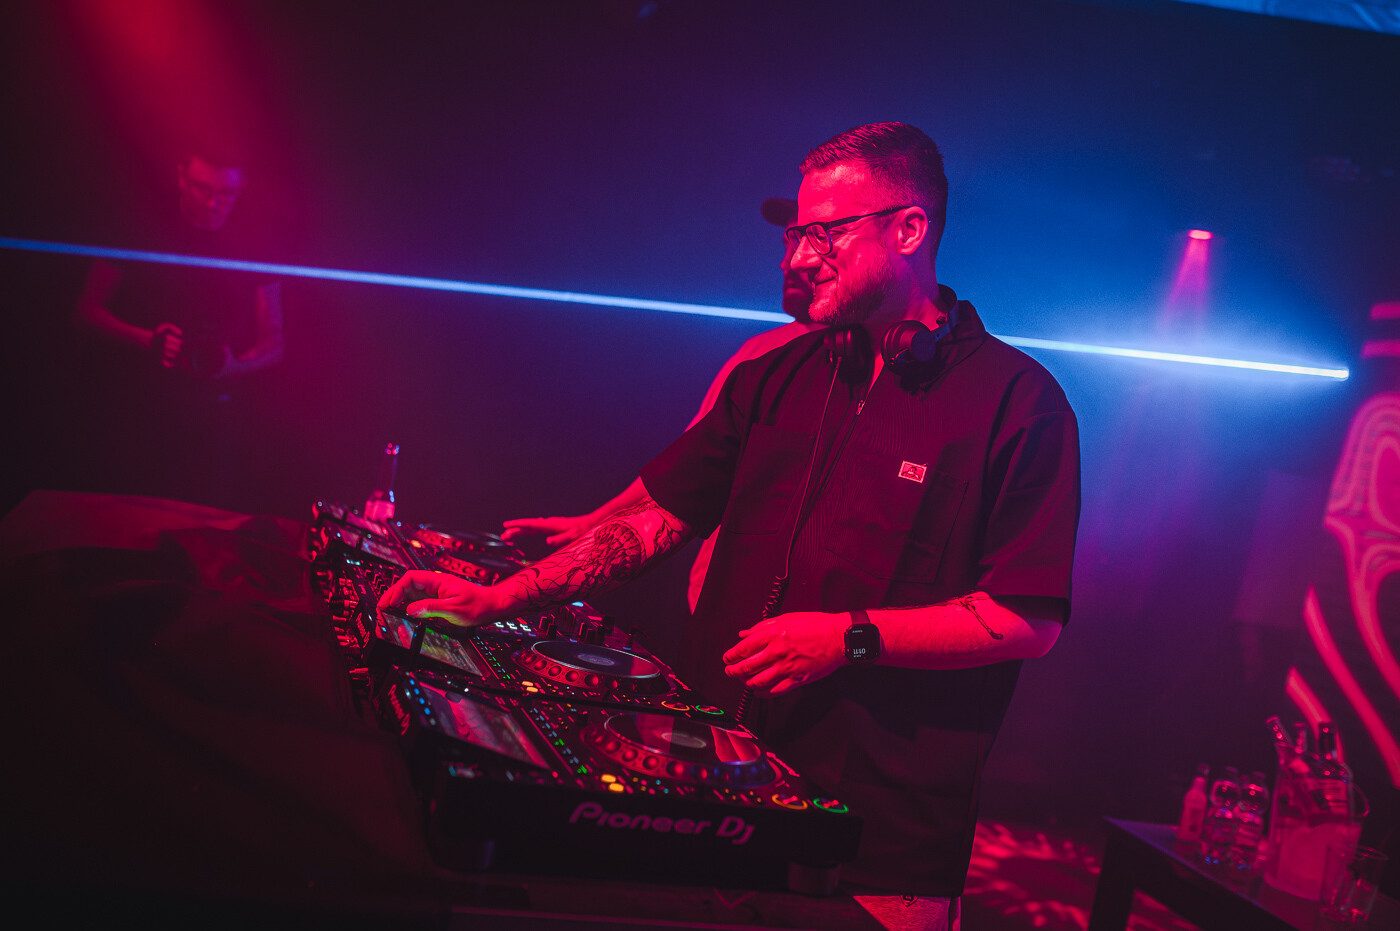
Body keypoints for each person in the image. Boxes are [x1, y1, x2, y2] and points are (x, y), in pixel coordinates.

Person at [380, 122, 1080, 928]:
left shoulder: (1017, 404)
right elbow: (655, 519)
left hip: (877, 851)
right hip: (707, 794)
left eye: (827, 233)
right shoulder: (776, 375)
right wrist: (499, 598)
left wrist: (849, 637)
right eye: (797, 234)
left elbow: (1026, 618)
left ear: (909, 229)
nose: (800, 256)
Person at [500, 196, 821, 611]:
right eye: (787, 243)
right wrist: (594, 523)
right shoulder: (759, 353)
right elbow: (684, 475)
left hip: (797, 625)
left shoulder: (872, 367)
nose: (788, 262)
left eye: (809, 241)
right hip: (715, 606)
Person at [73, 144, 284, 510]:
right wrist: (147, 339)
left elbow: (276, 341)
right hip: (136, 408)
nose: (213, 203)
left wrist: (235, 365)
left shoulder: (255, 245)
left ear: (242, 189)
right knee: (127, 518)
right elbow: (87, 310)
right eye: (203, 188)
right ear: (182, 177)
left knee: (202, 524)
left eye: (226, 193)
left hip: (214, 416)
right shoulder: (138, 226)